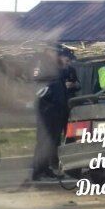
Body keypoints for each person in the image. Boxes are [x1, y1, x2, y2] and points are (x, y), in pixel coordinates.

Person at [31, 47, 69, 181]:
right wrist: (49, 96)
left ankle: (45, 168)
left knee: (52, 141)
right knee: (43, 141)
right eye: (62, 56)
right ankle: (37, 170)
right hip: (47, 111)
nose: (66, 60)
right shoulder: (43, 66)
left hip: (57, 111)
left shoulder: (56, 69)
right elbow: (39, 87)